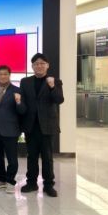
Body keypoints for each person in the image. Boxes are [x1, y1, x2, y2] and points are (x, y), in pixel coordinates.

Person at [19, 53, 64, 197]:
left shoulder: (55, 81)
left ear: (47, 65)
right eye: (36, 64)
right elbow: (23, 102)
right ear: (32, 66)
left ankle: (48, 185)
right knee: (31, 156)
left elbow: (59, 100)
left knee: (47, 157)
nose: (39, 66)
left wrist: (52, 87)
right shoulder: (25, 81)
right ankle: (31, 183)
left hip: (48, 125)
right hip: (31, 125)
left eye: (42, 63)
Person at [0, 65, 26, 194]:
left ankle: (10, 181)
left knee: (12, 159)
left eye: (5, 74)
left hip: (10, 129)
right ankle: (1, 179)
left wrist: (18, 102)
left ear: (9, 75)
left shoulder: (17, 90)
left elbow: (22, 111)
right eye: (0, 74)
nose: (3, 76)